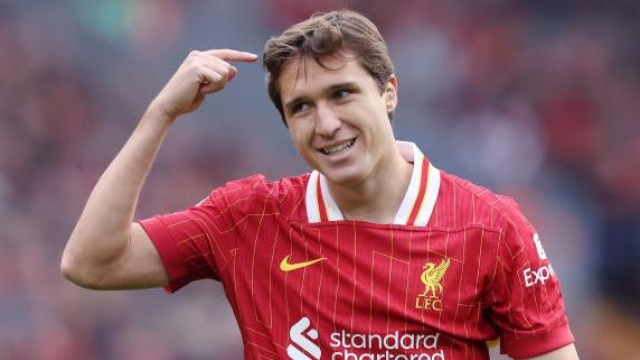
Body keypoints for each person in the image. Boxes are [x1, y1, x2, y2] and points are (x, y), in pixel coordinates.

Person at [61, 9, 579, 360]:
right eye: (302, 107)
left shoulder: (490, 226)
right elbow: (90, 262)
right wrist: (161, 113)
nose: (326, 123)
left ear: (389, 93)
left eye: (343, 94)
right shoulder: (250, 218)